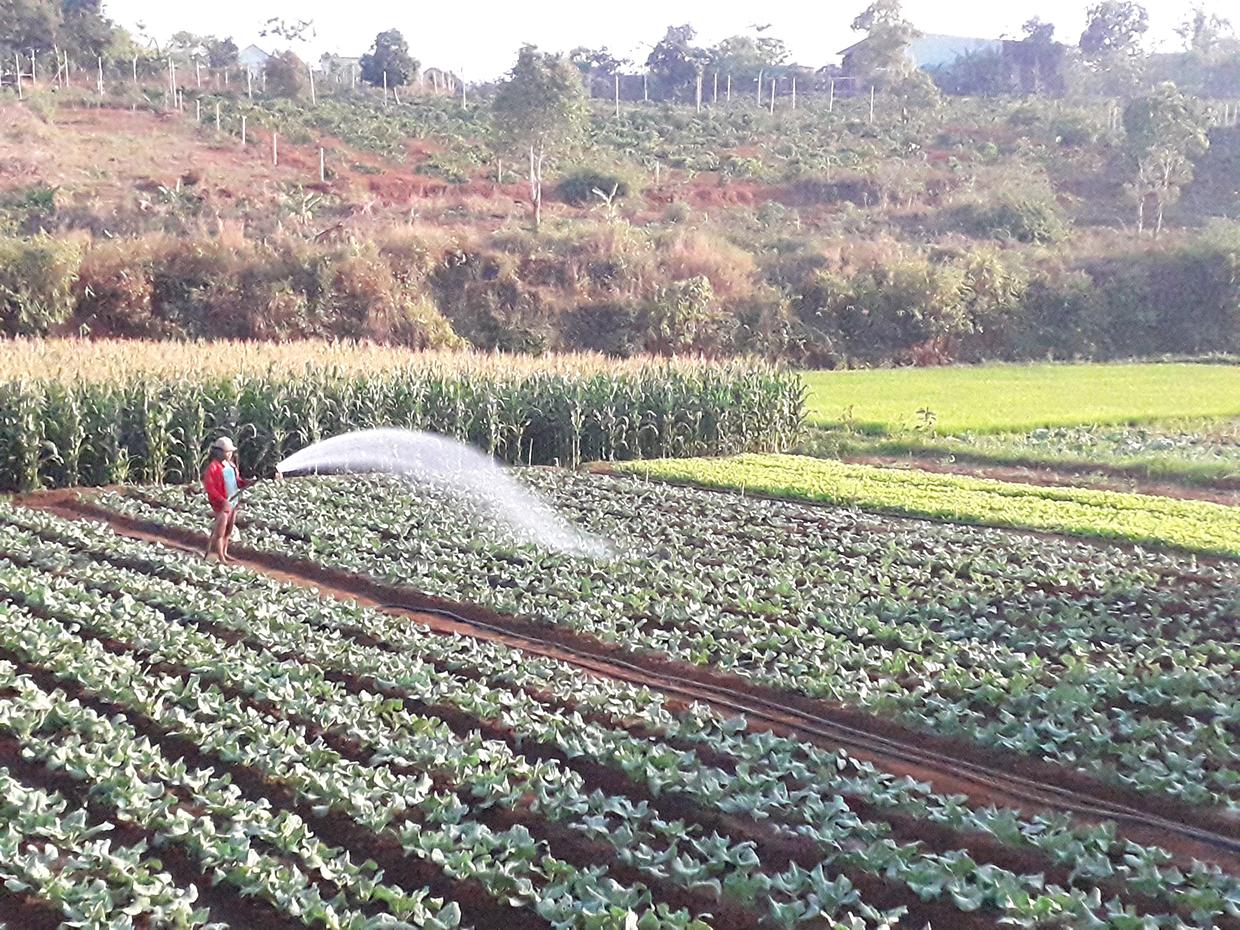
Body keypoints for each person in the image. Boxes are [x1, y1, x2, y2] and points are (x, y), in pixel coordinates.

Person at [202, 437, 254, 563]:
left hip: (233, 502)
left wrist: (247, 482)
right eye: (227, 452)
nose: (230, 454)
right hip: (222, 504)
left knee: (229, 530)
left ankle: (225, 552)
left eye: (231, 452)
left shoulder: (231, 465)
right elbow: (210, 488)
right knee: (220, 531)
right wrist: (222, 500)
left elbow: (238, 482)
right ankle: (220, 556)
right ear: (219, 452)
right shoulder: (213, 468)